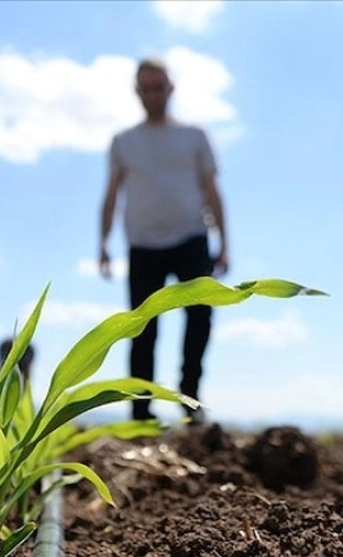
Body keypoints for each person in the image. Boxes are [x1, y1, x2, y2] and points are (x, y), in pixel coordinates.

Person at [98, 57, 229, 424]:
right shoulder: (123, 142)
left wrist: (225, 243)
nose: (153, 95)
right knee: (141, 328)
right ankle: (141, 412)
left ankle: (190, 400)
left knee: (200, 318)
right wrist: (103, 244)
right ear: (137, 92)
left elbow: (212, 190)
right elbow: (111, 195)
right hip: (143, 246)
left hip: (192, 238)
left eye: (159, 88)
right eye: (146, 89)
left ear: (170, 89)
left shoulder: (194, 136)